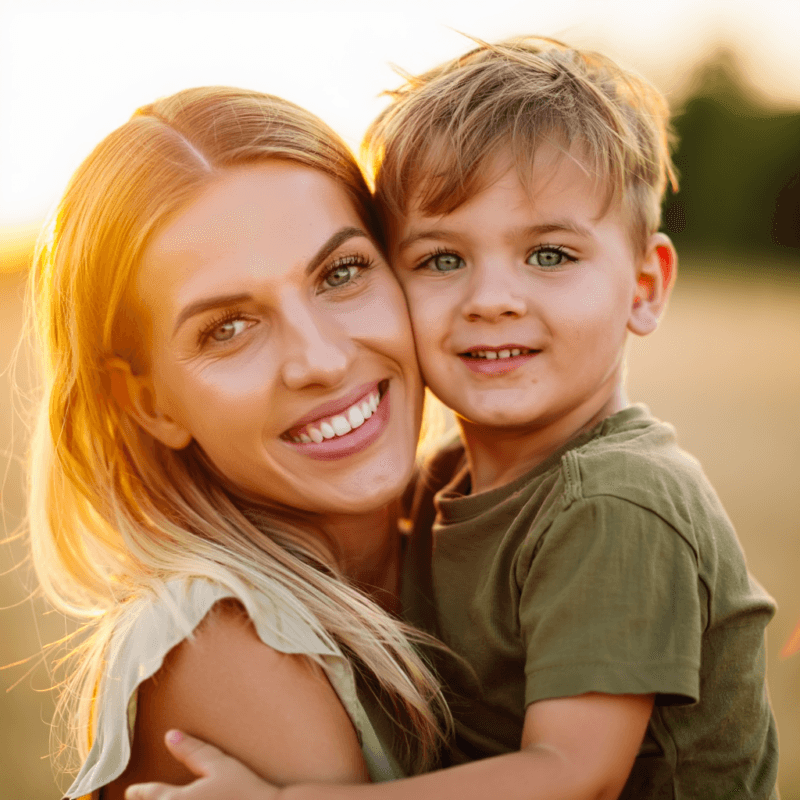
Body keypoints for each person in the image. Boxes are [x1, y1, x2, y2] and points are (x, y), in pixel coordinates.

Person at [127, 37, 779, 800]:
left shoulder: (616, 501)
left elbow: (576, 775)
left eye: (550, 255)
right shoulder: (442, 482)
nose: (491, 298)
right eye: (442, 260)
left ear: (643, 287)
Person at [27, 86, 452, 800]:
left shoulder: (476, 551)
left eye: (341, 273)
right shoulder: (221, 642)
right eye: (227, 327)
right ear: (149, 403)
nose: (318, 359)